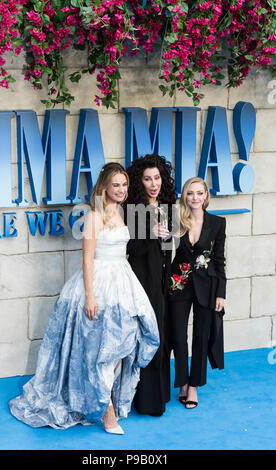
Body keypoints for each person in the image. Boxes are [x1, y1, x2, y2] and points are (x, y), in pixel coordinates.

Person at [8, 162, 160, 434]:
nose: (122, 190)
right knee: (99, 349)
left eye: (124, 185)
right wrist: (90, 297)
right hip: (97, 282)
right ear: (104, 187)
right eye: (116, 185)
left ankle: (108, 401)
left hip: (121, 281)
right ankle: (108, 412)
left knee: (122, 344)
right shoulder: (94, 216)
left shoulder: (122, 211)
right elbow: (87, 259)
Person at [125, 154, 176, 417]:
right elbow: (131, 248)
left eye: (157, 177)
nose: (153, 183)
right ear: (139, 182)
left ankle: (162, 394)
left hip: (163, 281)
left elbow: (168, 249)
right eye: (147, 179)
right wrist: (151, 236)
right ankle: (146, 400)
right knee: (147, 337)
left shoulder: (167, 206)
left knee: (164, 336)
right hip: (142, 280)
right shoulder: (133, 208)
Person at [168, 177, 226, 409]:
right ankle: (181, 380)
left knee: (201, 336)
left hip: (207, 287)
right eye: (190, 193)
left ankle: (194, 386)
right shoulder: (176, 221)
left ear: (206, 196)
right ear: (184, 196)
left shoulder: (218, 223)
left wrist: (221, 293)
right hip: (178, 284)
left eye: (199, 193)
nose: (194, 197)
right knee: (178, 337)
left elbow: (220, 260)